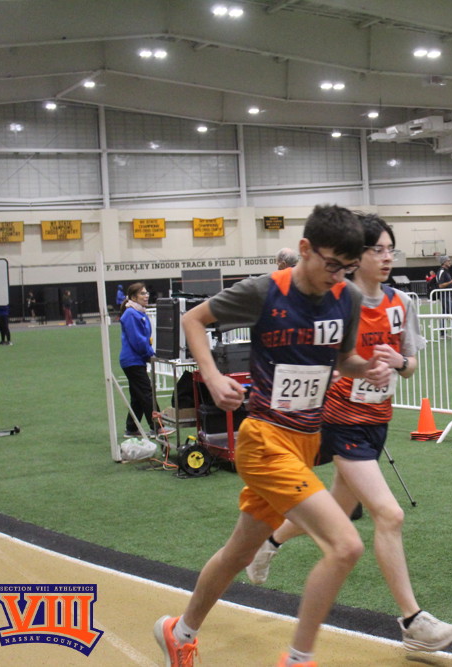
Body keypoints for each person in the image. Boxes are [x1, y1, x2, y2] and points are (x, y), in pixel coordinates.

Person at [154, 204, 391, 667]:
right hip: (264, 440)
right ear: (305, 249)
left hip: (305, 443)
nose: (338, 276)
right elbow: (193, 320)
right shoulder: (264, 291)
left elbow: (342, 361)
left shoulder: (346, 297)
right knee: (346, 545)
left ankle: (178, 632)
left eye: (347, 267)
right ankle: (298, 660)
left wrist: (370, 368)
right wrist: (212, 377)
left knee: (238, 553)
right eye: (331, 264)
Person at [245, 214, 452, 652]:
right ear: (354, 257)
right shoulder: (335, 301)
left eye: (390, 249)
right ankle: (412, 621)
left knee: (340, 510)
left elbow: (411, 364)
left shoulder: (402, 302)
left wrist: (398, 363)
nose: (386, 257)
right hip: (339, 420)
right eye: (376, 249)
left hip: (377, 421)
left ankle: (268, 543)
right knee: (389, 514)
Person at [119, 283, 168, 438]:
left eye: (146, 293)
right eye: (142, 294)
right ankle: (157, 427)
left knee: (138, 396)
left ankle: (131, 428)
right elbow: (138, 340)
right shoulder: (131, 314)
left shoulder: (139, 313)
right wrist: (149, 354)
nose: (146, 296)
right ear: (133, 297)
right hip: (132, 360)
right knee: (147, 393)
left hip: (136, 360)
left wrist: (149, 353)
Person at [435, 255, 452, 337]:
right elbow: (440, 285)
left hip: (448, 295)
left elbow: (446, 284)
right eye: (448, 261)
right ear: (444, 262)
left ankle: (443, 333)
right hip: (445, 296)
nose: (450, 262)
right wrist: (451, 282)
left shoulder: (446, 271)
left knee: (445, 314)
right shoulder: (442, 271)